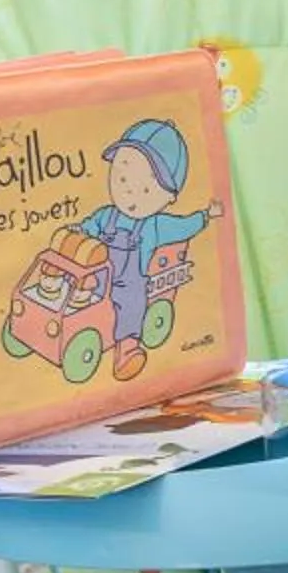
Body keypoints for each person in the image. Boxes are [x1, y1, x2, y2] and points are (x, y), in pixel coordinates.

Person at [80, 119, 219, 380]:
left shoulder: (155, 225)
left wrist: (206, 215)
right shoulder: (106, 215)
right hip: (97, 274)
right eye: (122, 178)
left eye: (145, 188)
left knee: (130, 300)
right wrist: (78, 231)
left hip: (126, 283)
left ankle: (128, 345)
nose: (130, 192)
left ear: (169, 198)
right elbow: (89, 225)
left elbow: (184, 226)